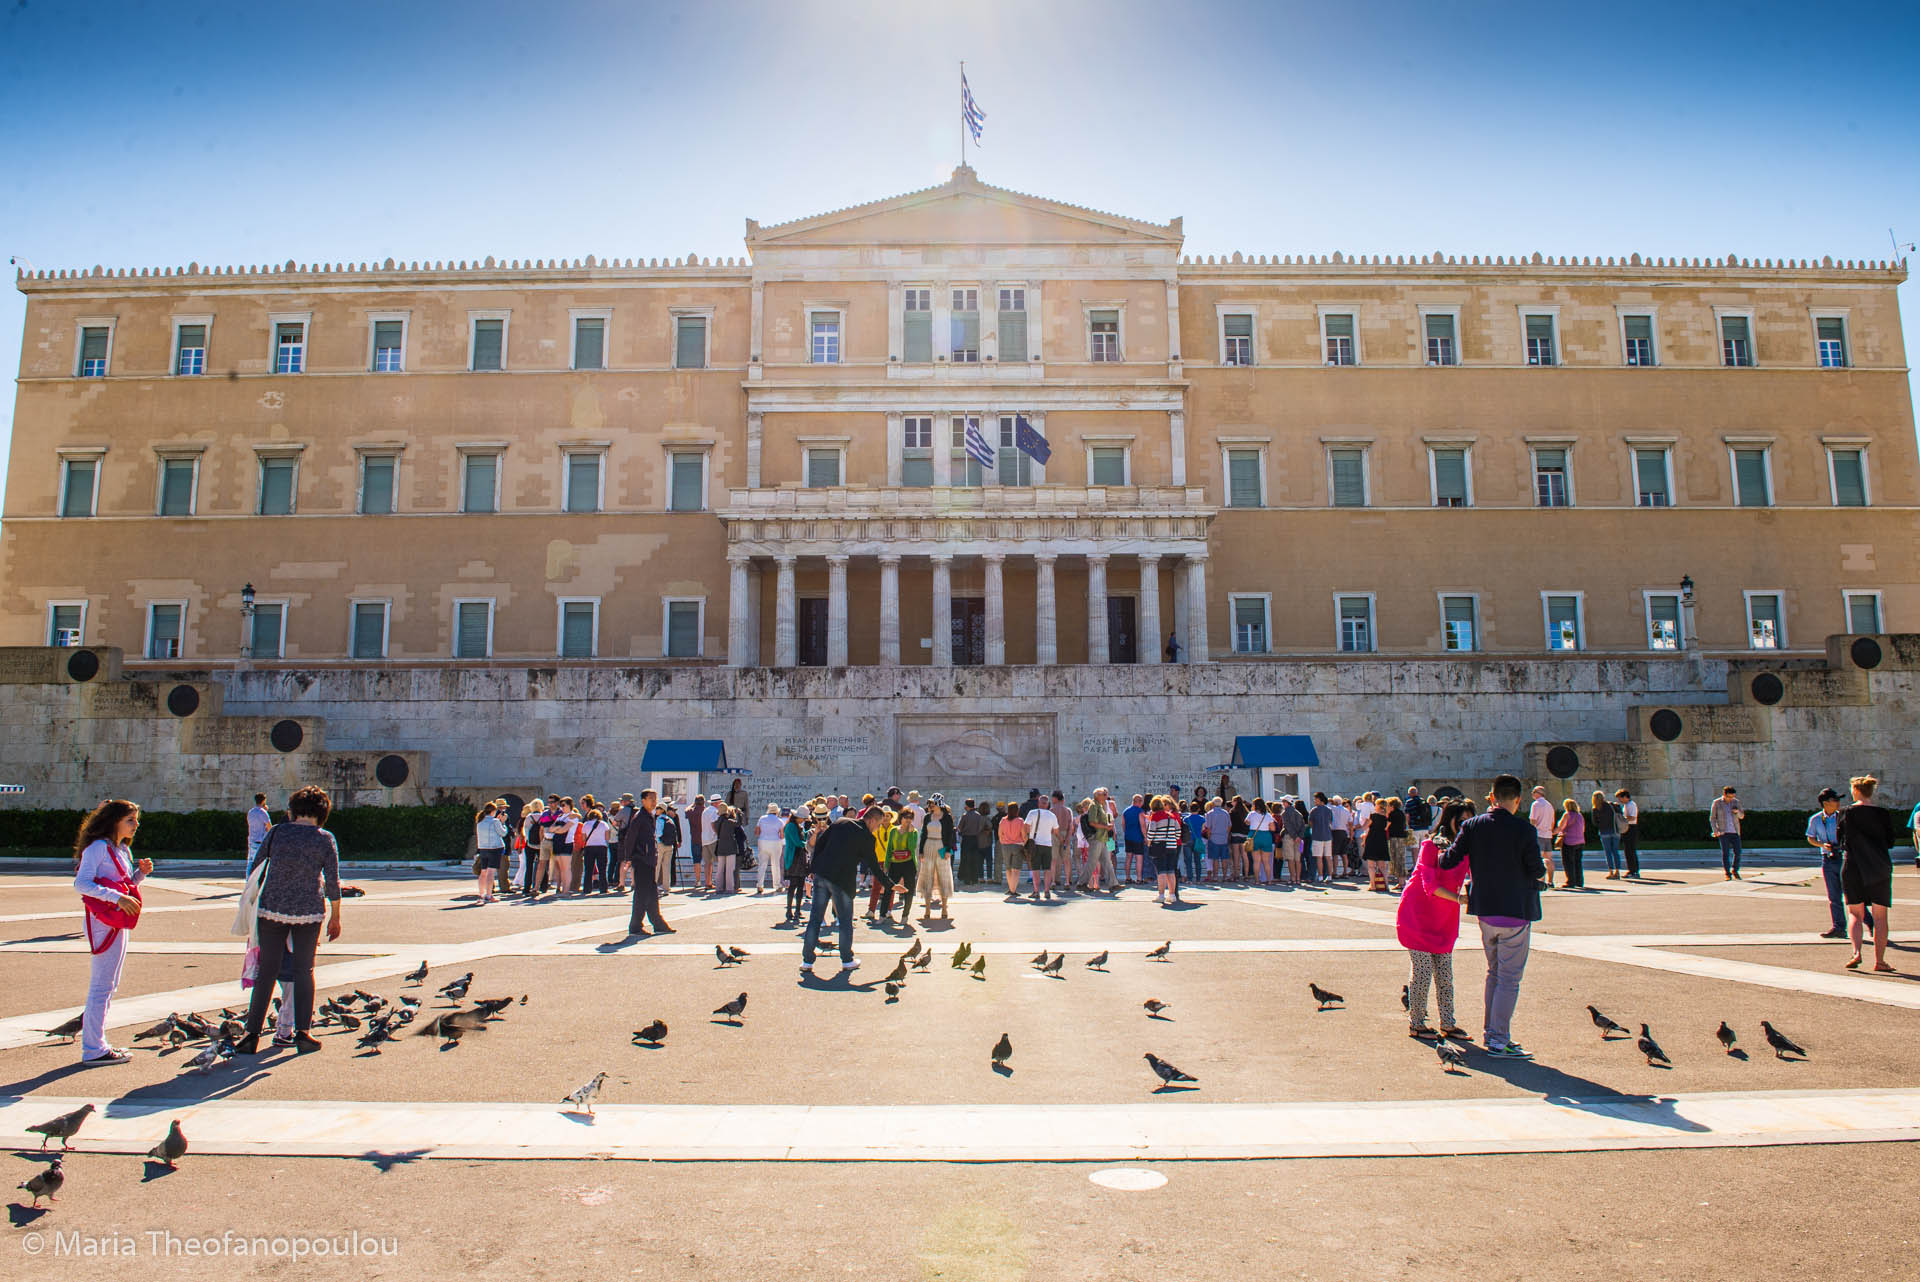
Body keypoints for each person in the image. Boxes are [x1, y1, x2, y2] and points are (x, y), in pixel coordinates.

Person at [1439, 774, 1544, 1059]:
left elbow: (1448, 859)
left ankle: (1493, 1033)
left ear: (1492, 797)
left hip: (1485, 911)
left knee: (1494, 972)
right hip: (1515, 910)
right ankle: (1498, 1039)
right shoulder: (1523, 830)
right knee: (1509, 977)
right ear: (1518, 799)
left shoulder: (1473, 826)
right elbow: (1537, 870)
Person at [236, 784, 343, 1056]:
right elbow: (333, 880)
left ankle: (251, 1035)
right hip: (309, 910)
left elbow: (257, 866)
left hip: (272, 907)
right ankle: (303, 1034)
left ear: (292, 810)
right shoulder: (325, 838)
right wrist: (336, 917)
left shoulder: (277, 832)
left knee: (267, 971)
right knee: (304, 971)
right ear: (323, 813)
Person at [72, 799, 150, 1065]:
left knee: (109, 984)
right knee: (102, 986)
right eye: (130, 820)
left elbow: (125, 884)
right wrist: (116, 898)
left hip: (118, 918)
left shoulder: (122, 851)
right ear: (114, 821)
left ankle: (97, 1044)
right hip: (103, 919)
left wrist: (140, 874)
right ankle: (94, 1048)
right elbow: (82, 883)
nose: (135, 825)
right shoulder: (97, 848)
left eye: (136, 820)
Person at [1397, 800, 1473, 1040]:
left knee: (1445, 974)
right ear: (1448, 819)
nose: (1464, 826)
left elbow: (1478, 874)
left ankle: (1448, 1023)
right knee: (1422, 971)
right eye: (1460, 821)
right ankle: (1417, 1022)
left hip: (1444, 918)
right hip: (1417, 915)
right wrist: (1460, 899)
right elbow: (1430, 886)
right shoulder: (1432, 845)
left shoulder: (1467, 849)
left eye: (1469, 822)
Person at [800, 805, 890, 975]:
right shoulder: (867, 837)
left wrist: (814, 867)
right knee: (845, 922)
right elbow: (874, 866)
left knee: (815, 919)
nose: (877, 829)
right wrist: (890, 884)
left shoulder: (840, 822)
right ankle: (847, 960)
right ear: (871, 820)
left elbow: (820, 844)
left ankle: (807, 960)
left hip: (822, 874)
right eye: (877, 824)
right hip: (841, 881)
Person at [1836, 775, 1894, 972]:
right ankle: (1880, 960)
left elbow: (1840, 840)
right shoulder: (1882, 813)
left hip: (1853, 865)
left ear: (1856, 791)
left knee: (1855, 913)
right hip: (1879, 866)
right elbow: (1890, 841)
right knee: (1880, 916)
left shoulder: (1845, 812)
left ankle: (1856, 952)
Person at [618, 790, 673, 938]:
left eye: (655, 799)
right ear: (643, 800)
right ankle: (636, 926)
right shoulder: (639, 817)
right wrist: (628, 858)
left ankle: (658, 924)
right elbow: (630, 838)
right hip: (641, 859)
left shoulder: (649, 817)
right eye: (650, 799)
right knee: (642, 894)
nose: (654, 802)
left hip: (649, 860)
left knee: (651, 894)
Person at [1807, 787, 1850, 939]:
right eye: (1835, 800)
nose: (1838, 803)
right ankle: (1838, 927)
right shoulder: (1816, 819)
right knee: (1834, 896)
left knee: (1852, 895)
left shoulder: (1843, 817)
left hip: (1843, 858)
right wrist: (1822, 845)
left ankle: (1871, 923)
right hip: (1828, 859)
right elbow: (1810, 837)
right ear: (1825, 803)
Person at [916, 800, 955, 922]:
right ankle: (927, 909)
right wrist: (921, 850)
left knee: (943, 875)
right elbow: (923, 834)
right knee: (927, 875)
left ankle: (944, 908)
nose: (931, 805)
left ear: (939, 804)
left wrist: (948, 849)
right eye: (930, 803)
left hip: (941, 846)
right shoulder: (928, 817)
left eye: (933, 803)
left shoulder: (947, 817)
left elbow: (950, 834)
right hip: (928, 845)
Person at [1146, 794, 1185, 905]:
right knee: (1171, 871)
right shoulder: (1171, 816)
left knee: (1161, 871)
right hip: (1172, 846)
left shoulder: (1155, 817)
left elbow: (1151, 832)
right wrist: (1173, 839)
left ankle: (1161, 895)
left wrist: (1149, 841)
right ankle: (1172, 895)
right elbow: (1178, 832)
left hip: (1159, 847)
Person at [1025, 794, 1059, 902]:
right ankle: (1047, 891)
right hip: (1047, 844)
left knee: (1035, 869)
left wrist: (1028, 835)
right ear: (1048, 804)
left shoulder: (1032, 813)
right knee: (1047, 869)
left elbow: (1026, 827)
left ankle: (1036, 891)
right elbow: (1056, 831)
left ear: (1039, 803)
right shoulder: (1052, 815)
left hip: (1035, 844)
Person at [781, 807, 812, 925]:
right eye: (803, 818)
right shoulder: (791, 826)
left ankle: (797, 910)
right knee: (794, 885)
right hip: (794, 857)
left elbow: (802, 836)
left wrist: (808, 831)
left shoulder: (797, 826)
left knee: (800, 885)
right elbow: (797, 842)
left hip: (799, 857)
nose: (803, 820)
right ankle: (790, 910)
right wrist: (809, 844)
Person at [1710, 785, 1746, 880]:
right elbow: (1712, 818)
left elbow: (1742, 816)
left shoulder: (1736, 802)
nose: (1731, 799)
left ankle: (1735, 869)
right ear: (1724, 794)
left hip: (1735, 831)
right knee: (1725, 853)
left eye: (1732, 796)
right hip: (1723, 832)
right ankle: (1727, 873)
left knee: (1738, 852)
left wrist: (1737, 811)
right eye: (1729, 797)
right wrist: (1715, 831)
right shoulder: (1717, 803)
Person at [474, 801, 507, 903]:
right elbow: (503, 833)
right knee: (491, 872)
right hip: (495, 848)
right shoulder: (495, 821)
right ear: (493, 811)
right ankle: (489, 895)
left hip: (483, 848)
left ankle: (481, 894)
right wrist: (502, 822)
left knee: (483, 872)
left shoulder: (480, 822)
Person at [576, 806, 612, 895]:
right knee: (602, 869)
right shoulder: (604, 824)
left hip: (589, 847)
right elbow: (607, 838)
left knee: (588, 869)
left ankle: (587, 889)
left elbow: (584, 838)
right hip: (601, 847)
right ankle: (603, 888)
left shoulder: (586, 824)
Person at [1084, 792, 1116, 893]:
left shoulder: (1107, 813)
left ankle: (1110, 883)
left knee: (1107, 860)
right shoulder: (1094, 810)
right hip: (1098, 839)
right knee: (1097, 861)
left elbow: (1112, 826)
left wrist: (1111, 833)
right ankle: (1092, 883)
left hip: (1107, 838)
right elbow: (1092, 824)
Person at [1527, 786, 1558, 887]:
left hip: (1538, 834)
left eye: (1534, 792)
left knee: (1538, 858)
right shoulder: (1549, 805)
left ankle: (1541, 880)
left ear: (1538, 793)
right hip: (1547, 835)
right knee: (1549, 859)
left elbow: (1533, 820)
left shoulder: (1536, 804)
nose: (1532, 794)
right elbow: (1553, 821)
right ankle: (1550, 881)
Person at [998, 801, 1028, 901]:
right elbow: (1023, 835)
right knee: (1016, 869)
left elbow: (1000, 833)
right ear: (1017, 810)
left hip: (1005, 846)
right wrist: (1025, 843)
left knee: (1008, 868)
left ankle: (1010, 888)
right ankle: (1013, 890)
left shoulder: (1003, 820)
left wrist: (1003, 842)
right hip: (1017, 845)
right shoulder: (1020, 821)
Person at [1555, 796, 1586, 889]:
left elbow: (1561, 827)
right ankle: (1579, 881)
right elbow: (1583, 829)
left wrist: (1552, 832)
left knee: (1568, 862)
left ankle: (1571, 881)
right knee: (1578, 862)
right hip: (1580, 841)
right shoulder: (1580, 816)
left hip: (1569, 841)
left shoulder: (1567, 815)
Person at [754, 803, 785, 895]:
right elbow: (782, 835)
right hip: (775, 842)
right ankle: (777, 885)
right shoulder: (779, 821)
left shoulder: (762, 819)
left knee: (762, 864)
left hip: (763, 841)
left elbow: (757, 832)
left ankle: (759, 884)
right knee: (775, 864)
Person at [1362, 797, 1391, 892]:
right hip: (1382, 840)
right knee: (1382, 866)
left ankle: (1373, 885)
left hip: (1372, 840)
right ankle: (1386, 885)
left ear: (1378, 806)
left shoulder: (1373, 816)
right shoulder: (1387, 817)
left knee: (1371, 865)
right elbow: (1386, 828)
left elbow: (1365, 827)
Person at [712, 804, 741, 894]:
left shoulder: (716, 823)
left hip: (720, 846)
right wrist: (739, 814)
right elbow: (738, 824)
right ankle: (729, 888)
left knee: (720, 869)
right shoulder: (730, 821)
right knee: (729, 869)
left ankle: (719, 887)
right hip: (730, 847)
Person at [1590, 791, 1620, 879]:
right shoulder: (1611, 805)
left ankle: (1611, 871)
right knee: (1615, 851)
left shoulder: (1596, 809)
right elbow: (1619, 814)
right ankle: (1617, 871)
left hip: (1604, 831)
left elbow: (1595, 822)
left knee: (1608, 852)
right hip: (1615, 830)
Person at [1614, 788, 1641, 878]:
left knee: (1630, 850)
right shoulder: (1626, 805)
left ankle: (1633, 871)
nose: (1620, 800)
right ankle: (1632, 869)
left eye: (1620, 798)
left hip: (1631, 828)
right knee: (1628, 850)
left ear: (1625, 797)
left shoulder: (1631, 805)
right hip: (1627, 828)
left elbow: (1632, 817)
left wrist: (1622, 819)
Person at [1279, 797, 1306, 886]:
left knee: (1290, 859)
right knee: (1298, 859)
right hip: (1298, 838)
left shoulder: (1285, 813)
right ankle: (1298, 878)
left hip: (1289, 836)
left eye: (1283, 801)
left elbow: (1288, 826)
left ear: (1287, 802)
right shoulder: (1298, 813)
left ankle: (1293, 878)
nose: (1282, 803)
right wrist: (1299, 836)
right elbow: (1303, 826)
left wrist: (1294, 836)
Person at [958, 799, 985, 885]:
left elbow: (960, 827)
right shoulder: (978, 816)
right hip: (975, 839)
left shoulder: (965, 815)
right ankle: (974, 878)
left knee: (966, 859)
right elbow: (980, 828)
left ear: (967, 806)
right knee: (974, 859)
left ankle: (967, 878)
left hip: (966, 839)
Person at [1308, 792, 1335, 882]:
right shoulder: (1329, 810)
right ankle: (1330, 876)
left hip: (1317, 836)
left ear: (1319, 800)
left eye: (1315, 799)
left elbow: (1310, 823)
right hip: (1327, 835)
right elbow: (1331, 822)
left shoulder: (1314, 810)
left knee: (1319, 857)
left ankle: (1320, 876)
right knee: (1328, 857)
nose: (1314, 801)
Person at [1384, 795, 1409, 887]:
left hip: (1395, 837)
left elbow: (1386, 826)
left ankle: (1401, 882)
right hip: (1401, 837)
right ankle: (1401, 881)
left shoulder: (1392, 814)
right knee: (1400, 858)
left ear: (1392, 805)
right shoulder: (1401, 813)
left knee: (1397, 859)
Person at [1121, 794, 1146, 885]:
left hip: (1128, 837)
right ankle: (1139, 878)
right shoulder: (1140, 811)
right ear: (1139, 801)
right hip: (1138, 837)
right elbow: (1142, 825)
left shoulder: (1125, 811)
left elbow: (1123, 824)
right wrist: (1146, 837)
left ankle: (1127, 877)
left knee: (1128, 857)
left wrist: (1126, 833)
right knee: (1139, 858)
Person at [245, 793, 271, 866]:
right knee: (261, 864)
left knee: (250, 862)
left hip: (251, 840)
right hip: (260, 841)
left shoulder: (250, 812)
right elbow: (269, 827)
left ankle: (248, 877)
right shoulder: (263, 812)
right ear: (264, 801)